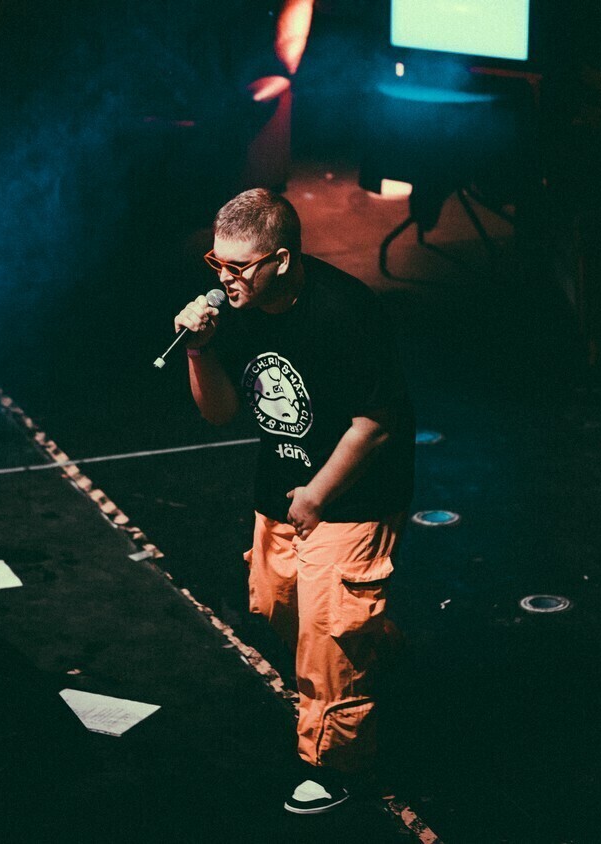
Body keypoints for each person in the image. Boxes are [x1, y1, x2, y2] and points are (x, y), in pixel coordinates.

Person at [171, 188, 414, 814]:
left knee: (327, 641)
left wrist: (317, 495)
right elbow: (220, 412)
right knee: (278, 603)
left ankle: (335, 767)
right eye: (216, 263)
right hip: (280, 488)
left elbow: (376, 424)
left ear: (280, 260)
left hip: (353, 496)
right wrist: (198, 349)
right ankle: (377, 643)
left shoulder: (347, 312)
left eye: (238, 266)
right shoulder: (236, 310)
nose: (224, 279)